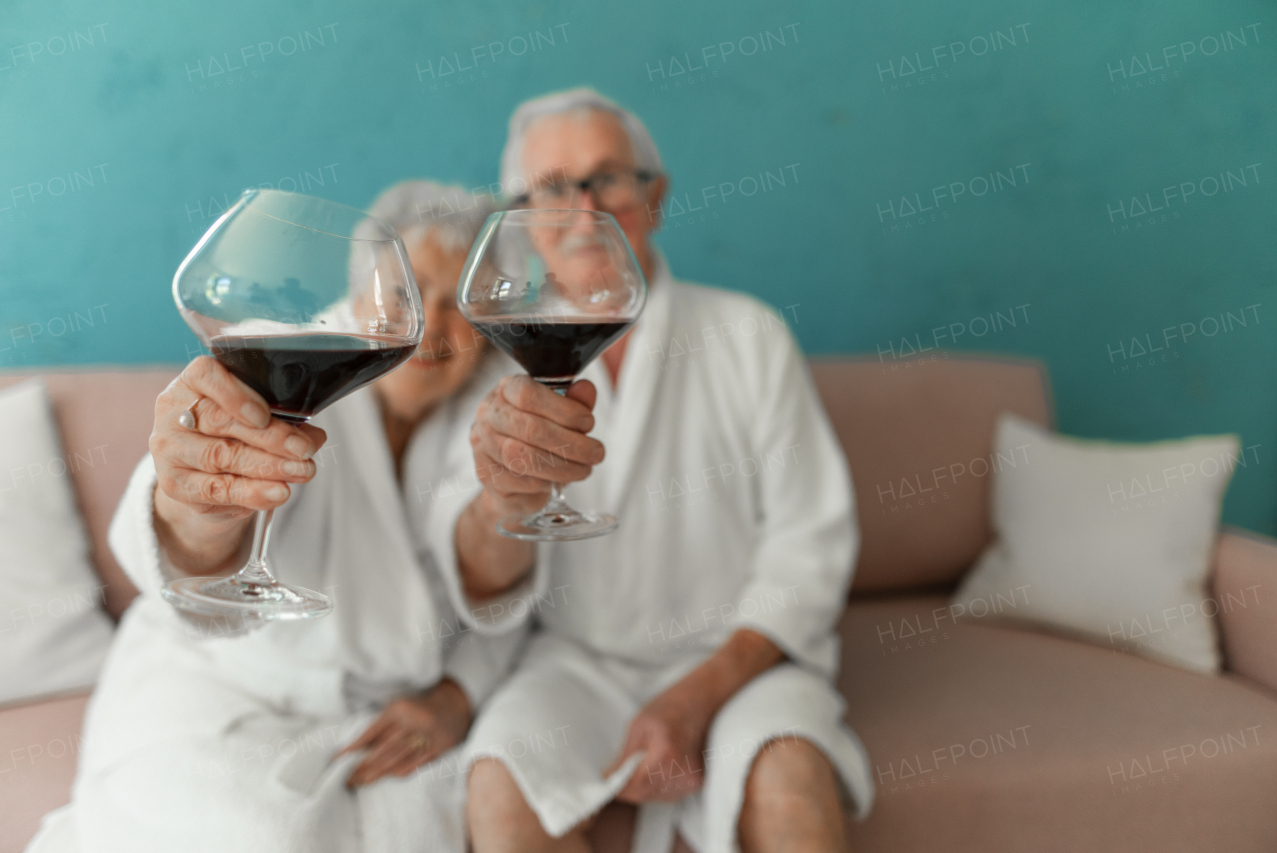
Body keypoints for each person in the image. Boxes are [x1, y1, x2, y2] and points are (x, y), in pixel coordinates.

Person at [427, 89, 873, 853]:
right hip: (573, 661)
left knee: (790, 781)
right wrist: (505, 497)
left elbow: (811, 542)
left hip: (735, 658)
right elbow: (472, 567)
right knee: (499, 787)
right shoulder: (495, 359)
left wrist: (698, 697)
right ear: (521, 221)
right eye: (555, 188)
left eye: (608, 178)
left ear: (655, 196)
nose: (584, 207)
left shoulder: (748, 335)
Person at [27, 183, 517, 853]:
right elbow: (192, 486)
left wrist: (460, 693)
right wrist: (196, 508)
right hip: (214, 692)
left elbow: (509, 594)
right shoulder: (289, 355)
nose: (431, 323)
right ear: (363, 287)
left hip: (372, 720)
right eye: (409, 292)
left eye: (458, 303)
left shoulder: (492, 413)